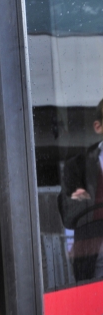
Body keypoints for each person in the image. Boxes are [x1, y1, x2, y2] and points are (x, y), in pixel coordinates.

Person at [59, 98, 103, 283]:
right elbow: (68, 217)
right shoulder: (77, 166)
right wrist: (77, 201)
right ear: (98, 126)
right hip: (94, 253)